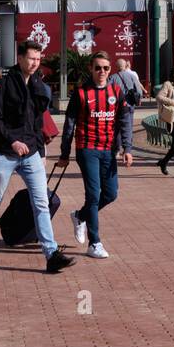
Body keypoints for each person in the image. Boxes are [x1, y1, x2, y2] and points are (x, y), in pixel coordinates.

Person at [0, 42, 74, 273]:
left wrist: (39, 147)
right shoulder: (5, 84)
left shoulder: (38, 84)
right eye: (31, 58)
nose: (35, 63)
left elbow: (38, 120)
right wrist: (12, 141)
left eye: (38, 59)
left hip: (32, 154)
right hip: (5, 153)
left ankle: (51, 254)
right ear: (19, 58)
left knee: (41, 203)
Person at [58, 50, 133, 259]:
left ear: (110, 70)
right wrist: (64, 153)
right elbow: (69, 125)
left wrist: (127, 148)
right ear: (91, 69)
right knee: (92, 194)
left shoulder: (117, 92)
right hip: (87, 149)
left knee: (111, 194)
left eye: (106, 68)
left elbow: (125, 121)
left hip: (109, 150)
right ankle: (95, 243)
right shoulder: (81, 93)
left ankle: (80, 216)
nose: (102, 71)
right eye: (98, 67)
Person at [109, 57, 144, 155]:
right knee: (128, 127)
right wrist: (138, 99)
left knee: (117, 128)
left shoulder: (113, 77)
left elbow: (107, 91)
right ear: (125, 66)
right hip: (129, 105)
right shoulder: (132, 76)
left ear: (116, 66)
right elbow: (139, 91)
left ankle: (116, 149)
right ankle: (127, 150)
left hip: (117, 106)